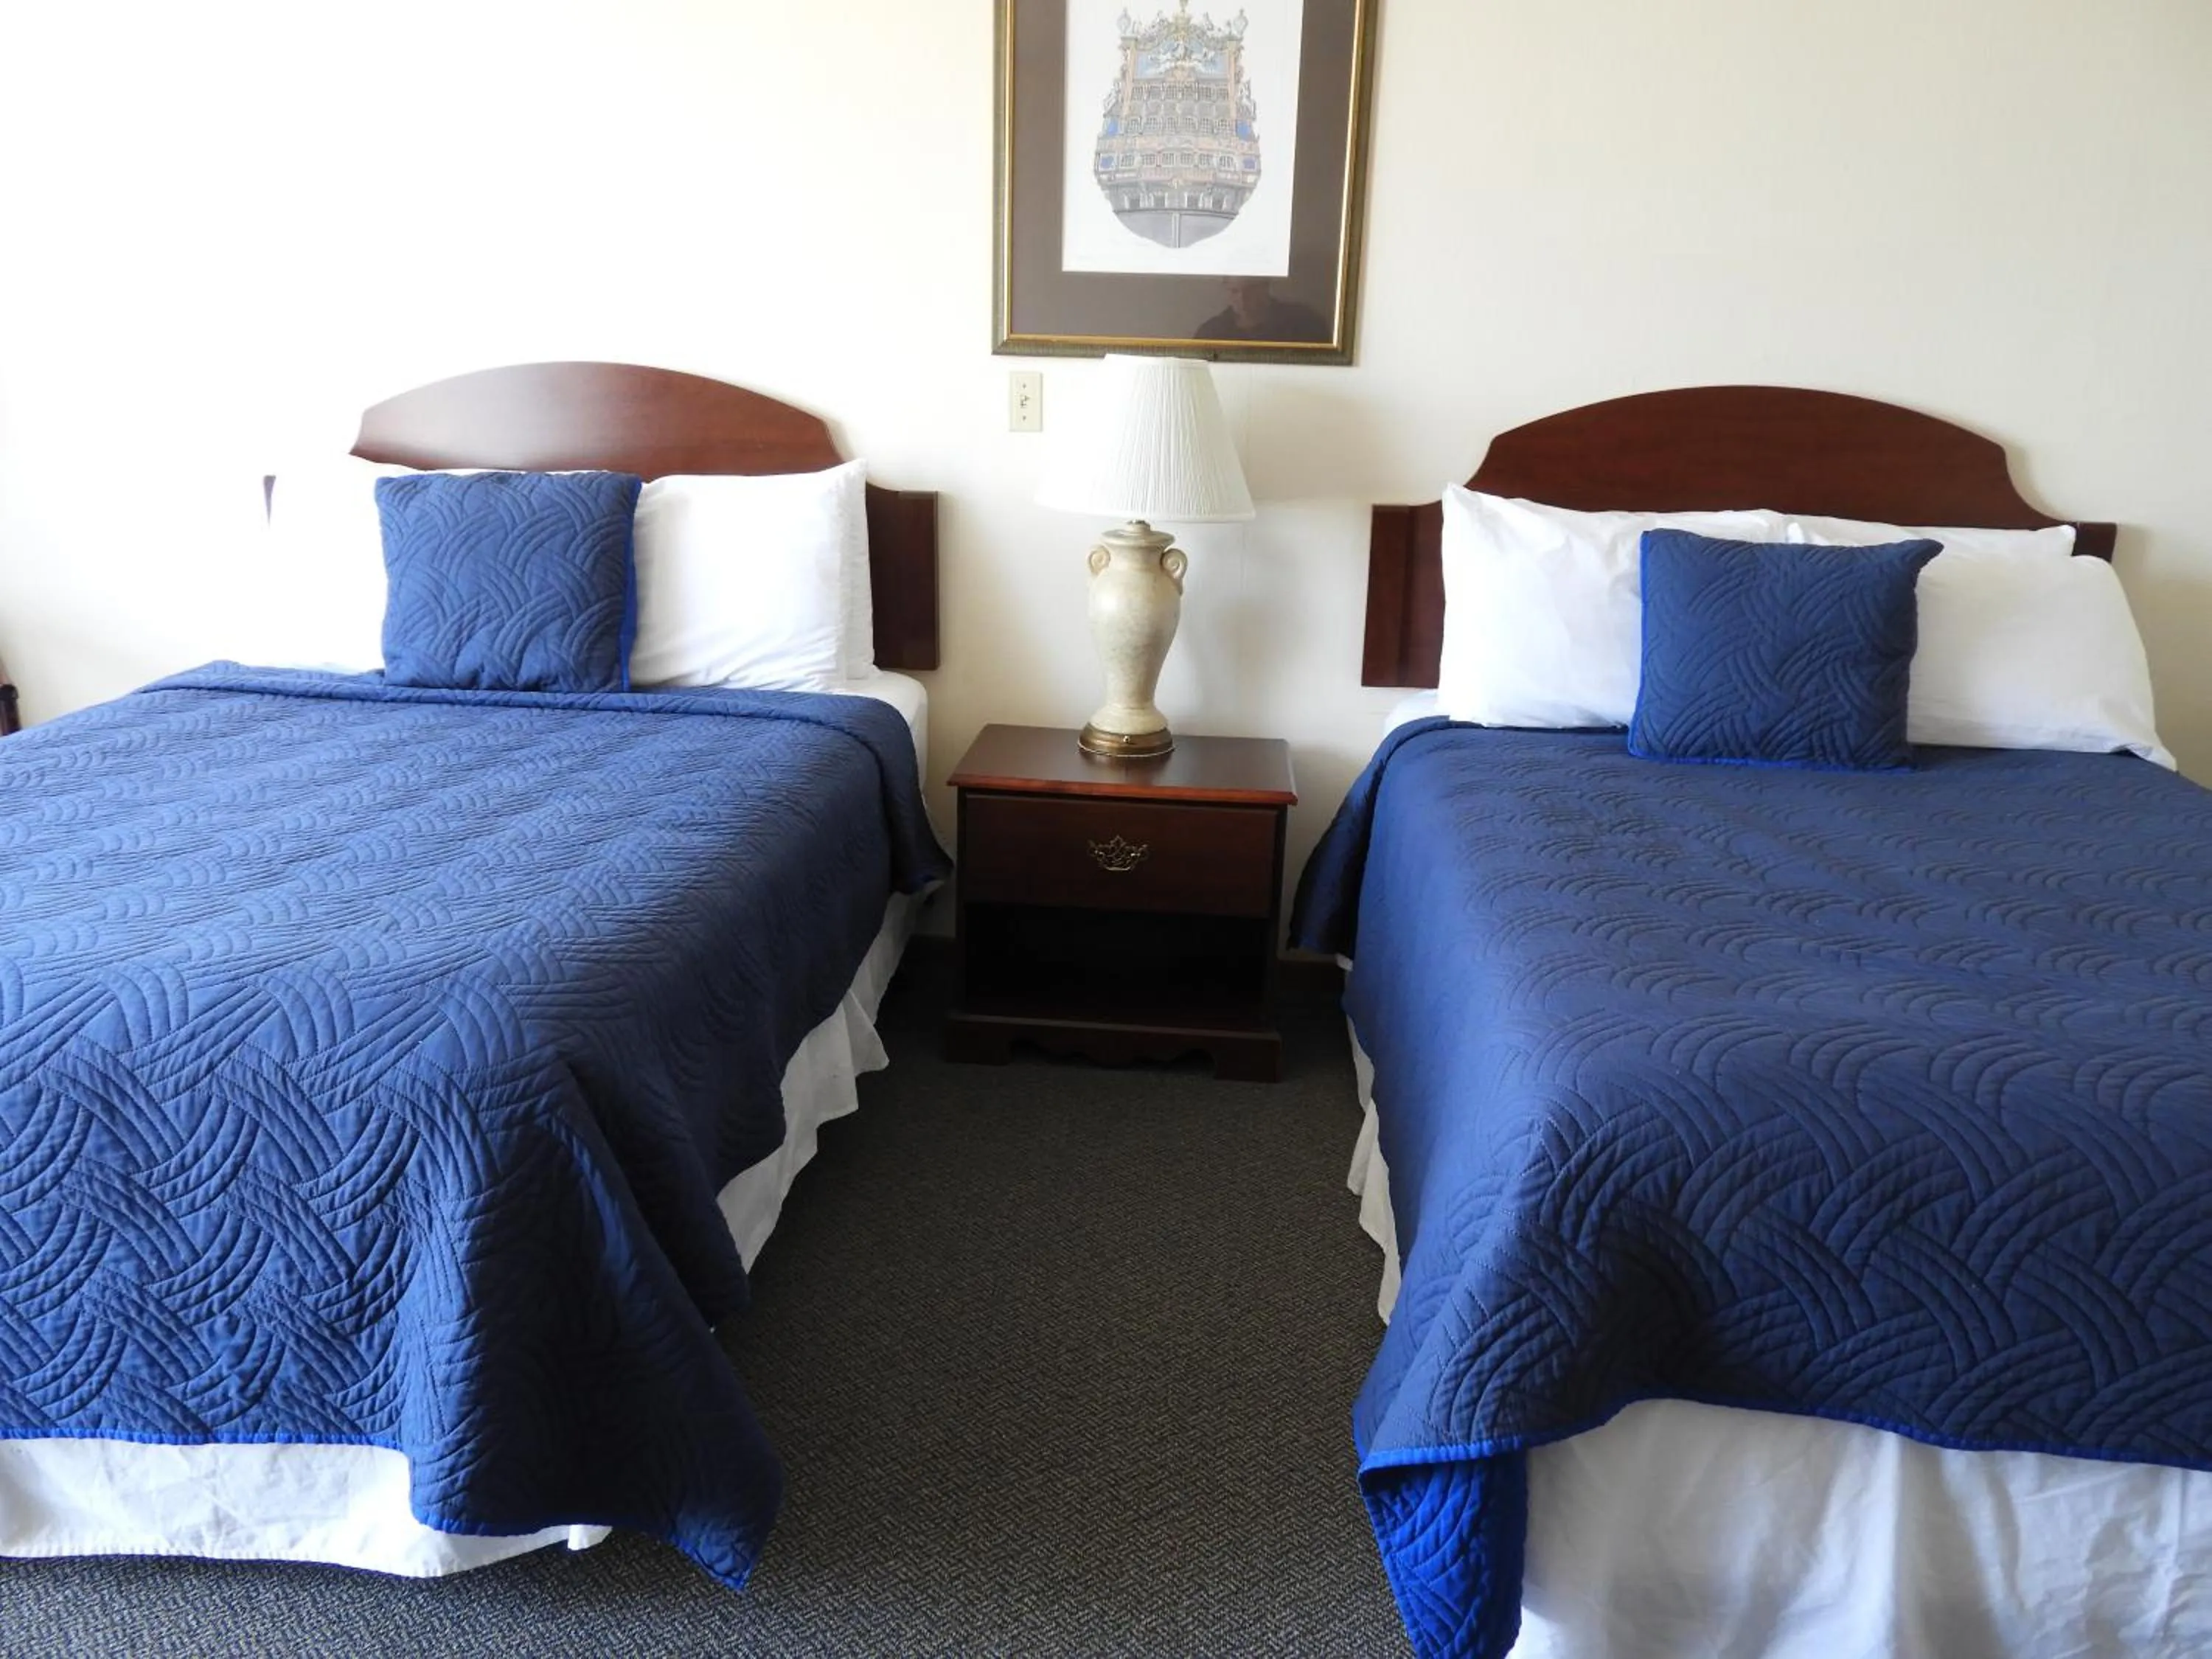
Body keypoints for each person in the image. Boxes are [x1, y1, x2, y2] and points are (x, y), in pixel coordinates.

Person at [1193, 276, 1328, 342]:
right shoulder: (1210, 332)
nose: (1242, 299)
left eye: (1250, 290)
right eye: (1234, 291)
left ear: (1265, 287)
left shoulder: (1304, 322)